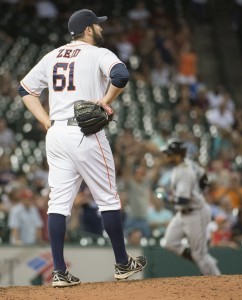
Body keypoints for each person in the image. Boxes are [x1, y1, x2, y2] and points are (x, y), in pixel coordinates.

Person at [18, 9, 146, 287]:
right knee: (109, 199)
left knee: (58, 203)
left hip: (57, 134)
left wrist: (46, 121)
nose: (100, 29)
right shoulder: (99, 54)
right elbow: (121, 76)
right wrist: (105, 100)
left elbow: (25, 90)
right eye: (97, 26)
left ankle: (60, 272)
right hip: (85, 132)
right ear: (88, 30)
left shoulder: (52, 56)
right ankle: (123, 263)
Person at [160, 138, 221, 275]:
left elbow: (182, 200)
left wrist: (166, 198)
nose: (166, 156)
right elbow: (204, 178)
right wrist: (197, 191)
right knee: (169, 242)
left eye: (169, 153)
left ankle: (218, 281)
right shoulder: (188, 163)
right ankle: (199, 258)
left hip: (196, 213)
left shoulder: (184, 172)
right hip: (183, 213)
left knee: (200, 255)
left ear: (178, 155)